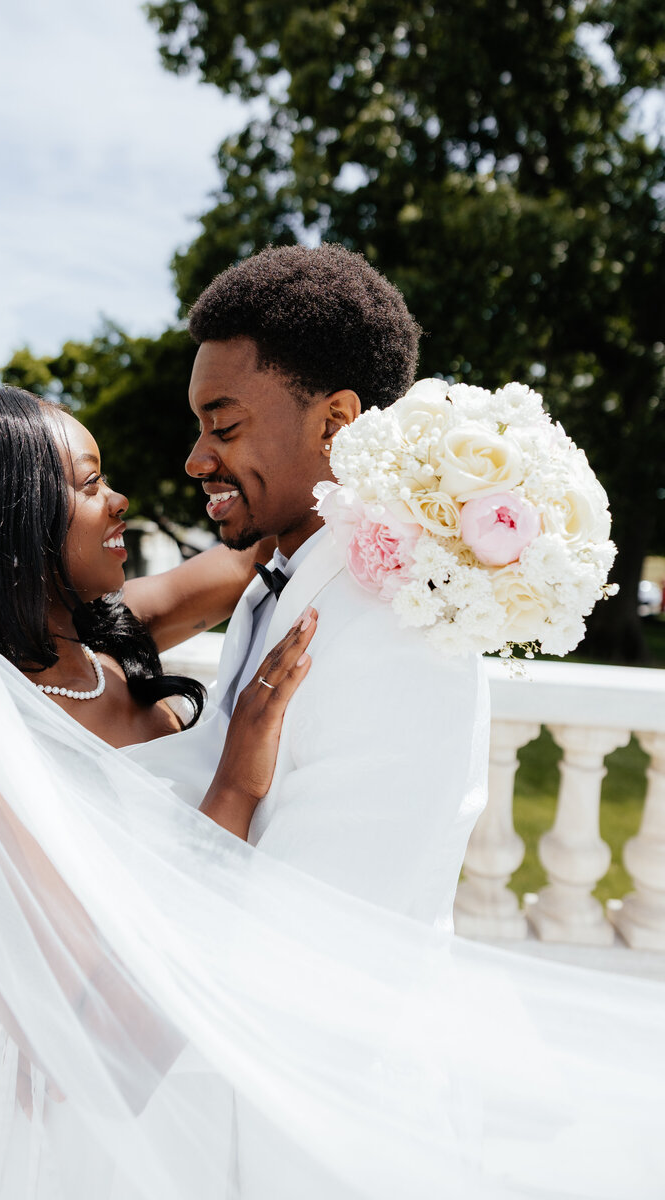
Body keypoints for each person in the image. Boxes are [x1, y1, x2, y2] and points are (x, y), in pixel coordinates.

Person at [0, 390, 664, 1200]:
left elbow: (271, 537)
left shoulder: (107, 640)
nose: (120, 500)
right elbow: (96, 1055)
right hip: (114, 1146)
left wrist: (456, 493)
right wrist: (236, 787)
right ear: (7, 518)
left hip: (222, 1097)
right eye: (87, 483)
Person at [130, 242, 489, 929]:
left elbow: (320, 933)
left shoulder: (399, 632)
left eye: (224, 425)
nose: (196, 457)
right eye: (198, 426)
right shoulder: (289, 573)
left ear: (336, 422)